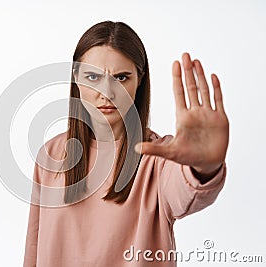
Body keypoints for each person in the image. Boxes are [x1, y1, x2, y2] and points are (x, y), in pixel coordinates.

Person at [23, 20, 229, 267]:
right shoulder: (51, 154)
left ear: (139, 80)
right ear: (76, 77)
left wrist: (204, 167)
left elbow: (187, 190)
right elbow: (34, 249)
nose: (107, 92)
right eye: (92, 76)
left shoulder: (159, 159)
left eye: (121, 77)